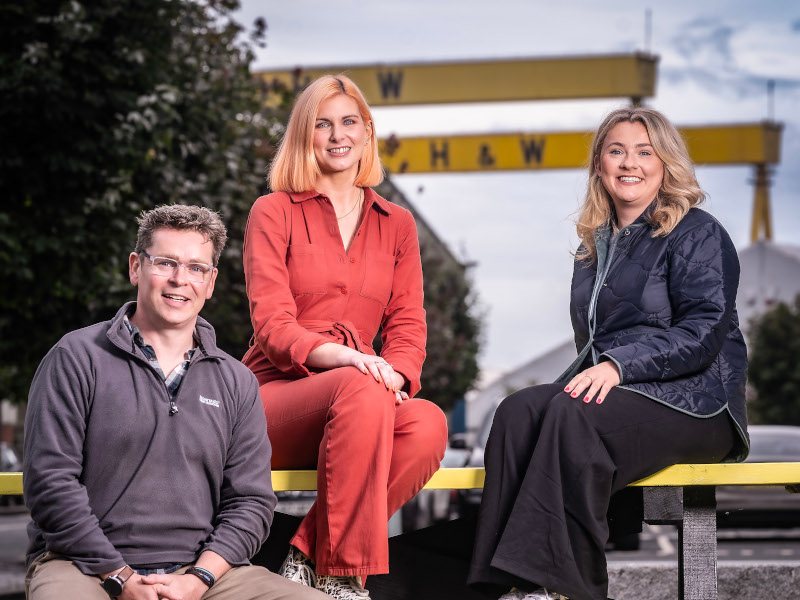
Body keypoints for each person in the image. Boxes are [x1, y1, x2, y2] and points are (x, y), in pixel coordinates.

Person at [467, 107, 748, 600]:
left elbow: (705, 331)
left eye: (645, 151)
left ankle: (564, 589)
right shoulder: (593, 248)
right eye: (616, 151)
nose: (629, 163)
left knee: (572, 415)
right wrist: (580, 382)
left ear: (665, 163)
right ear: (599, 164)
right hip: (629, 395)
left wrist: (619, 367)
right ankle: (505, 585)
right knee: (516, 412)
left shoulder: (697, 232)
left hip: (701, 400)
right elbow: (593, 344)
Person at [23, 205, 328, 600]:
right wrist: (119, 575)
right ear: (136, 267)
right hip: (82, 565)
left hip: (198, 568)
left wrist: (199, 578)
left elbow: (251, 501)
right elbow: (50, 485)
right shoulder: (76, 357)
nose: (180, 280)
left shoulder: (236, 381)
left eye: (196, 268)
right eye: (165, 263)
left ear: (211, 281)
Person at [242, 74, 448, 599]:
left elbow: (407, 323)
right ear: (304, 136)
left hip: (363, 402)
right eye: (322, 123)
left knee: (426, 423)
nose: (337, 134)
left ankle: (306, 555)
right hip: (275, 398)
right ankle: (342, 579)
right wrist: (350, 361)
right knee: (360, 387)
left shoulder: (396, 224)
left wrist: (394, 374)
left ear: (367, 131)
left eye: (348, 121)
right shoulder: (274, 211)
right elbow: (271, 325)